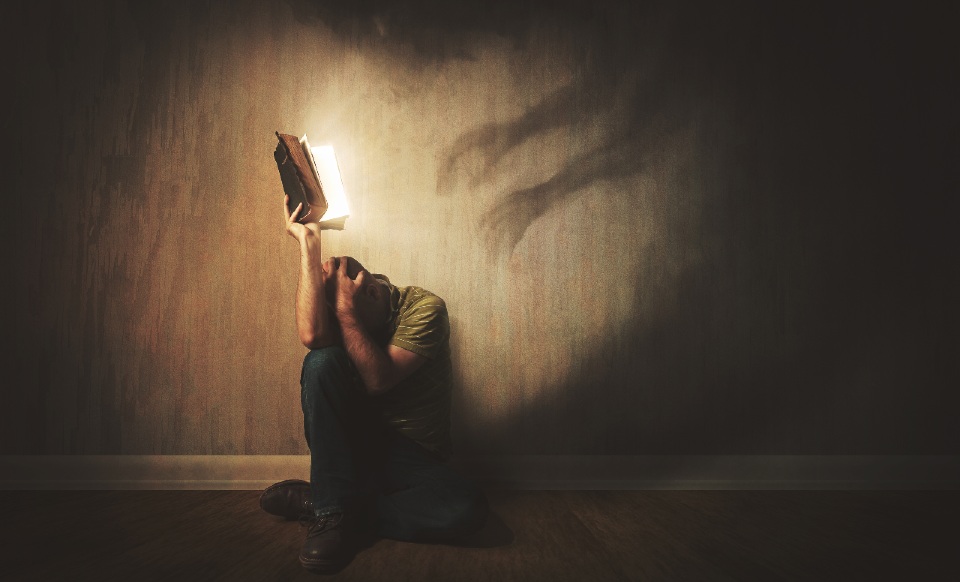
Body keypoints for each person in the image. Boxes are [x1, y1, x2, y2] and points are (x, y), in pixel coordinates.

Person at [259, 195, 487, 573]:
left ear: (373, 292)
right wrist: (309, 243)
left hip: (413, 457)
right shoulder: (343, 317)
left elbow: (380, 380)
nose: (338, 325)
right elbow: (311, 335)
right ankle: (332, 510)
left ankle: (328, 505)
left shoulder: (424, 308)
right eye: (336, 316)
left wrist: (345, 310)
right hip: (354, 450)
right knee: (320, 360)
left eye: (343, 314)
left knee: (466, 511)